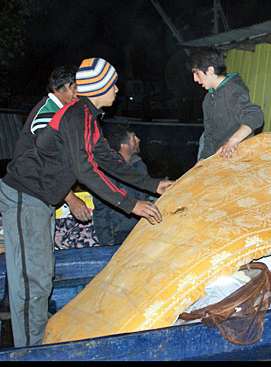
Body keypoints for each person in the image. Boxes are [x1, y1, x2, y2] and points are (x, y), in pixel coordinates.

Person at [0, 57, 174, 348]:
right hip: (25, 195)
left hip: (41, 199)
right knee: (31, 281)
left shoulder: (88, 118)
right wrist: (131, 204)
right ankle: (30, 351)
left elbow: (108, 160)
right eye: (113, 84)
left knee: (42, 276)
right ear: (99, 88)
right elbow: (86, 170)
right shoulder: (75, 115)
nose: (117, 89)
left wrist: (153, 184)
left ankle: (36, 341)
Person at [11, 65, 91, 223]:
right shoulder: (48, 114)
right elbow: (47, 163)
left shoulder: (61, 113)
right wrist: (71, 199)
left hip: (38, 192)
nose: (79, 94)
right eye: (75, 88)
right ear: (58, 88)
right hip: (27, 193)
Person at [188, 48, 264, 160]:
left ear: (210, 70)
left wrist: (233, 141)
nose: (195, 79)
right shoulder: (208, 99)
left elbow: (254, 115)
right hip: (221, 159)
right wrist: (203, 160)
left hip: (240, 156)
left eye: (196, 73)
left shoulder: (232, 90)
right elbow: (209, 136)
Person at [91, 124, 151, 246]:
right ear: (123, 146)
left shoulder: (140, 165)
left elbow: (145, 198)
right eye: (133, 138)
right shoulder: (109, 169)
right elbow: (102, 209)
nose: (138, 140)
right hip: (120, 233)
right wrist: (107, 240)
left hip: (141, 230)